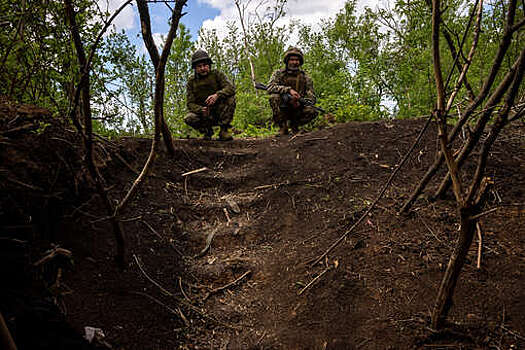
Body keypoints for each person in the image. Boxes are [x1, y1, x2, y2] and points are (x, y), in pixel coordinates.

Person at [184, 49, 236, 141]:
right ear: (195, 68)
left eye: (205, 65)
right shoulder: (191, 82)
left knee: (231, 99)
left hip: (220, 111)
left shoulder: (217, 75)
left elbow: (230, 88)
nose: (202, 68)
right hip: (204, 115)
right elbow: (190, 103)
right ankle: (207, 131)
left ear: (209, 65)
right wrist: (200, 109)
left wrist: (217, 95)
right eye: (199, 66)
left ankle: (224, 130)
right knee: (189, 118)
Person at [266, 47, 318, 135]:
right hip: (283, 106)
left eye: (297, 60)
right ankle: (283, 127)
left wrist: (300, 102)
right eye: (292, 60)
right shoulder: (279, 74)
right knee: (274, 97)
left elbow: (312, 97)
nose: (294, 62)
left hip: (298, 107)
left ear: (300, 62)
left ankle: (295, 127)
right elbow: (270, 87)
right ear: (287, 61)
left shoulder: (305, 77)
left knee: (312, 110)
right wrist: (288, 90)